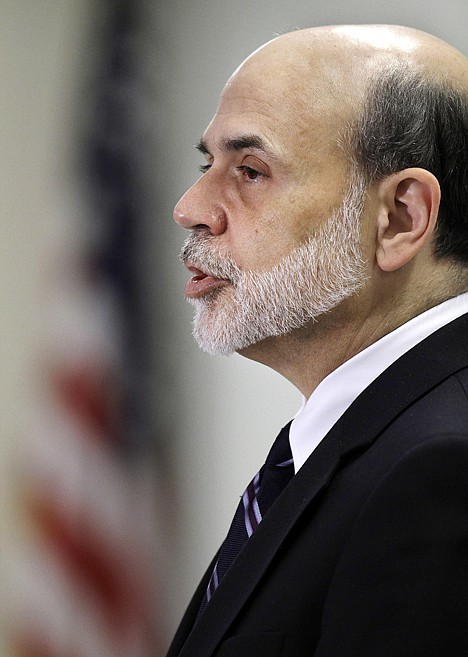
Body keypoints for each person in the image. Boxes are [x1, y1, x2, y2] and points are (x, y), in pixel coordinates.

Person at [168, 24, 468, 657]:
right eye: (206, 165)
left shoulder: (441, 468)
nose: (191, 208)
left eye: (250, 171)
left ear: (400, 217)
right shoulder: (384, 439)